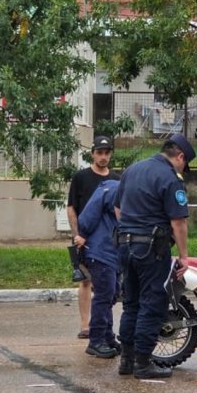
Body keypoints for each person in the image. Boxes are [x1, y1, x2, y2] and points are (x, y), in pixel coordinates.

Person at [115, 134, 195, 379]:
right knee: (152, 303)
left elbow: (117, 208)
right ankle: (143, 362)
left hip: (124, 244)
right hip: (151, 249)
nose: (182, 170)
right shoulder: (170, 178)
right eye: (184, 164)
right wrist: (184, 256)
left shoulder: (132, 170)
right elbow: (178, 222)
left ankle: (126, 360)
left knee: (131, 303)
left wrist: (132, 228)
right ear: (180, 156)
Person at [67, 135, 118, 340]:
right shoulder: (81, 177)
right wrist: (77, 235)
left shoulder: (116, 179)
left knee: (107, 286)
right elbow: (71, 208)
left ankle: (104, 328)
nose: (103, 157)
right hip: (85, 238)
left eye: (107, 153)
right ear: (93, 154)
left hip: (106, 241)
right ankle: (85, 325)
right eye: (99, 153)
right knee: (86, 280)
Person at [78, 179, 122, 359]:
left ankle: (107, 337)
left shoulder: (115, 188)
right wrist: (82, 233)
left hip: (110, 252)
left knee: (111, 294)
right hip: (101, 251)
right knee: (104, 296)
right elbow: (88, 215)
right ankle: (96, 341)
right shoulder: (114, 189)